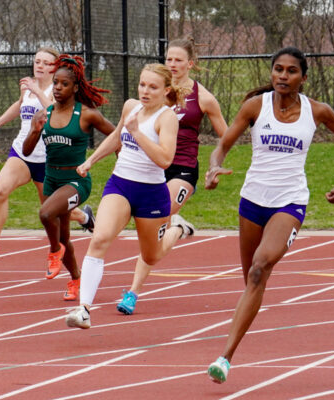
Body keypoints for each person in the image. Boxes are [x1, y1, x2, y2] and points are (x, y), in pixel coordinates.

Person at [205, 47, 334, 383]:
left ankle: (225, 357)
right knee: (251, 280)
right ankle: (242, 328)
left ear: (303, 77)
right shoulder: (255, 107)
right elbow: (223, 144)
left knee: (259, 270)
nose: (282, 76)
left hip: (290, 202)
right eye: (277, 70)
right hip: (252, 201)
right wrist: (214, 167)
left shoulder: (316, 111)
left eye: (290, 71)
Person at [65, 63, 196, 329]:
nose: (145, 91)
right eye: (142, 85)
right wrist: (91, 161)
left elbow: (165, 160)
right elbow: (116, 137)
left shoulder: (167, 117)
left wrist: (137, 132)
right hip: (121, 185)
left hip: (151, 194)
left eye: (153, 87)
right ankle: (84, 310)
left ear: (165, 90)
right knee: (100, 238)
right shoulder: (130, 107)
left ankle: (178, 229)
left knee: (151, 256)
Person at [116, 37, 228, 315]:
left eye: (178, 60)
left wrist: (215, 167)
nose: (173, 64)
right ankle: (178, 229)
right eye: (169, 59)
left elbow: (227, 136)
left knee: (158, 220)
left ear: (190, 64)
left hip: (182, 170)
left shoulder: (204, 98)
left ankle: (132, 292)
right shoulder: (156, 92)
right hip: (150, 167)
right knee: (147, 236)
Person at [0, 48, 95, 264]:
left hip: (48, 161)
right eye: (37, 61)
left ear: (55, 68)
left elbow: (57, 113)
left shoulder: (58, 89)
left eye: (46, 63)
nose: (39, 66)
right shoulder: (27, 86)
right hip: (22, 152)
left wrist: (37, 91)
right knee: (0, 190)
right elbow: (20, 106)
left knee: (54, 212)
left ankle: (85, 217)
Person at [23, 54, 115, 301]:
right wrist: (35, 130)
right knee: (64, 235)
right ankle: (75, 278)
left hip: (76, 181)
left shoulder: (86, 114)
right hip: (51, 179)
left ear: (75, 87)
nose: (59, 88)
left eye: (64, 84)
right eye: (56, 83)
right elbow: (27, 151)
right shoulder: (44, 114)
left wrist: (121, 163)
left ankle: (54, 251)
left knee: (45, 214)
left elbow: (116, 135)